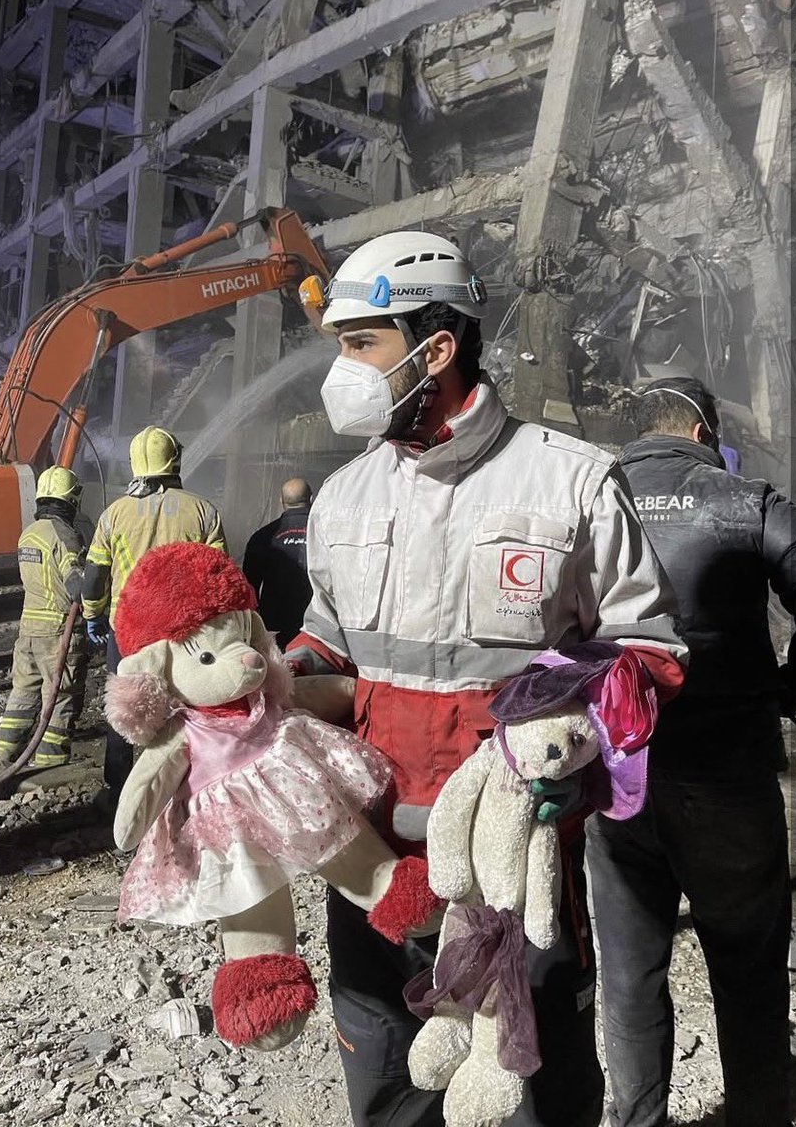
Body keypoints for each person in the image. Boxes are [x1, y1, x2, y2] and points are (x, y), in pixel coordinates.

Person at [286, 232, 687, 1127]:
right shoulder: (345, 497)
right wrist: (266, 688)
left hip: (520, 862)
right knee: (388, 1075)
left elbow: (650, 654)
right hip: (375, 857)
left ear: (435, 349)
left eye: (360, 345)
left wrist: (568, 757)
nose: (340, 372)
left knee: (527, 1086)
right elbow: (330, 651)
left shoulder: (572, 483)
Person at [585, 376, 796, 1127]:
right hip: (728, 770)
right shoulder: (744, 500)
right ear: (702, 432)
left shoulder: (589, 497)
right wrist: (791, 684)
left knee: (630, 973)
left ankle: (638, 1118)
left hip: (617, 776)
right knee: (746, 966)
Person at [82, 425, 227, 800]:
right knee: (183, 703)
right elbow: (219, 572)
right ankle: (183, 785)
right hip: (183, 629)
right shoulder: (202, 510)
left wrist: (92, 612)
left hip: (127, 628)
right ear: (174, 459)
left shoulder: (114, 513)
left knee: (125, 706)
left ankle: (119, 789)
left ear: (134, 462)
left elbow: (95, 572)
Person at [0, 466, 88, 769]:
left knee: (22, 693)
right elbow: (76, 585)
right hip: (57, 630)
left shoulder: (28, 533)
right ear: (72, 500)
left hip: (28, 629)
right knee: (60, 697)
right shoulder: (65, 534)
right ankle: (51, 763)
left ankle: (3, 757)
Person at [242, 477, 313, 648]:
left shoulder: (262, 537)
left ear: (281, 501)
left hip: (275, 626)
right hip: (317, 625)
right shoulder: (328, 534)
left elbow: (248, 587)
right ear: (311, 499)